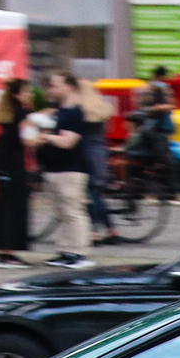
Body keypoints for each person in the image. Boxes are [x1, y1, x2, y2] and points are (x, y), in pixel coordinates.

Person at [31, 72, 118, 267]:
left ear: (68, 86)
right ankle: (65, 250)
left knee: (73, 211)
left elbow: (68, 141)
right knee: (60, 212)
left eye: (54, 85)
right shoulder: (57, 111)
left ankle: (80, 252)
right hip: (53, 167)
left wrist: (46, 138)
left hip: (71, 169)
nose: (50, 89)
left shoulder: (76, 112)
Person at [0, 79, 37, 269]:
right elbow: (29, 140)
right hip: (14, 166)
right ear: (17, 94)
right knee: (15, 209)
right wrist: (45, 136)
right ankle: (10, 253)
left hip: (1, 166)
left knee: (3, 208)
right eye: (26, 91)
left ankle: (2, 252)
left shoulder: (7, 114)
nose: (30, 94)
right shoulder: (23, 113)